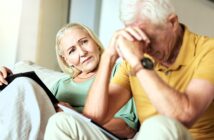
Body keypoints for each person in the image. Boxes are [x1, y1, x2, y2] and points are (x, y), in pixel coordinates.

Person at [45, 0, 214, 140]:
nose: (142, 45)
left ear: (172, 23)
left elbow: (184, 116)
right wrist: (109, 56)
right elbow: (95, 116)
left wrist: (138, 62)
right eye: (135, 35)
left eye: (149, 36)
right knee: (61, 122)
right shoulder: (132, 57)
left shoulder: (209, 51)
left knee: (158, 124)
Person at [0, 23, 138, 140]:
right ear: (67, 60)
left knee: (55, 117)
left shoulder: (119, 71)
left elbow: (127, 129)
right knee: (20, 85)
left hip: (96, 134)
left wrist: (77, 116)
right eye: (72, 51)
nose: (82, 52)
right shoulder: (61, 85)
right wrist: (8, 82)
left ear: (95, 42)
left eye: (84, 42)